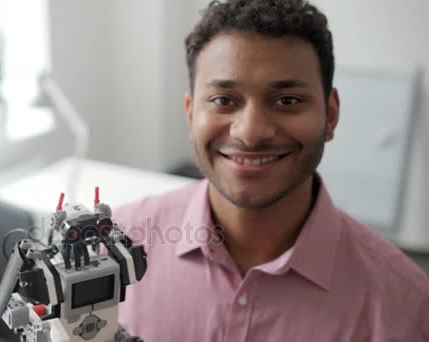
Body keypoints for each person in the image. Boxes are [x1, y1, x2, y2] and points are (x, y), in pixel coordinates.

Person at [113, 1, 429, 341]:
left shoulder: (406, 305)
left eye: (287, 101)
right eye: (223, 100)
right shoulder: (111, 249)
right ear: (191, 115)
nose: (249, 132)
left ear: (331, 114)